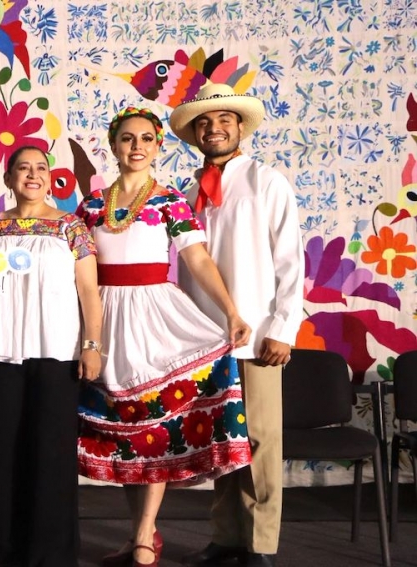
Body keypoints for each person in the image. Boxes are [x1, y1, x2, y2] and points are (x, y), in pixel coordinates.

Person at [75, 107, 254, 567]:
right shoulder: (91, 206)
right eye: (127, 138)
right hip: (102, 317)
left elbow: (197, 259)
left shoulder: (170, 200)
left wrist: (231, 312)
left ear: (157, 146)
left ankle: (142, 535)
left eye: (146, 139)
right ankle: (144, 532)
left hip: (153, 315)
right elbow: (73, 266)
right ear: (114, 145)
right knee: (123, 430)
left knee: (152, 425)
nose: (136, 146)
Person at [169, 84, 305, 567]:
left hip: (259, 334)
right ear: (195, 134)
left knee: (262, 440)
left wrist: (283, 327)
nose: (214, 129)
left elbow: (290, 259)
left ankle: (261, 543)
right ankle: (226, 536)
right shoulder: (188, 193)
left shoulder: (267, 182)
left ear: (240, 126)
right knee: (221, 440)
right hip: (206, 338)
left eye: (224, 119)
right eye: (204, 123)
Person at [0, 145, 102, 566]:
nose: (33, 174)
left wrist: (92, 345)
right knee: (6, 454)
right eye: (23, 168)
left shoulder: (70, 226)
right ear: (8, 178)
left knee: (51, 454)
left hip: (56, 351)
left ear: (51, 178)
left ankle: (53, 556)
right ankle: (10, 554)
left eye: (41, 168)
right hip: (1, 351)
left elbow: (89, 291)